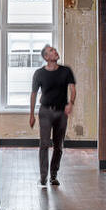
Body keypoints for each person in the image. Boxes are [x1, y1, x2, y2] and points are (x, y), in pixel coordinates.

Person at [29, 44, 76, 186]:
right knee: (44, 144)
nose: (55, 51)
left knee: (58, 146)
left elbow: (73, 89)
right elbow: (33, 94)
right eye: (51, 51)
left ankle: (53, 175)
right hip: (45, 112)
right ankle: (43, 176)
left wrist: (71, 103)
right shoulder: (39, 73)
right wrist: (31, 114)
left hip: (61, 113)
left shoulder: (66, 70)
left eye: (54, 50)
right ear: (46, 57)